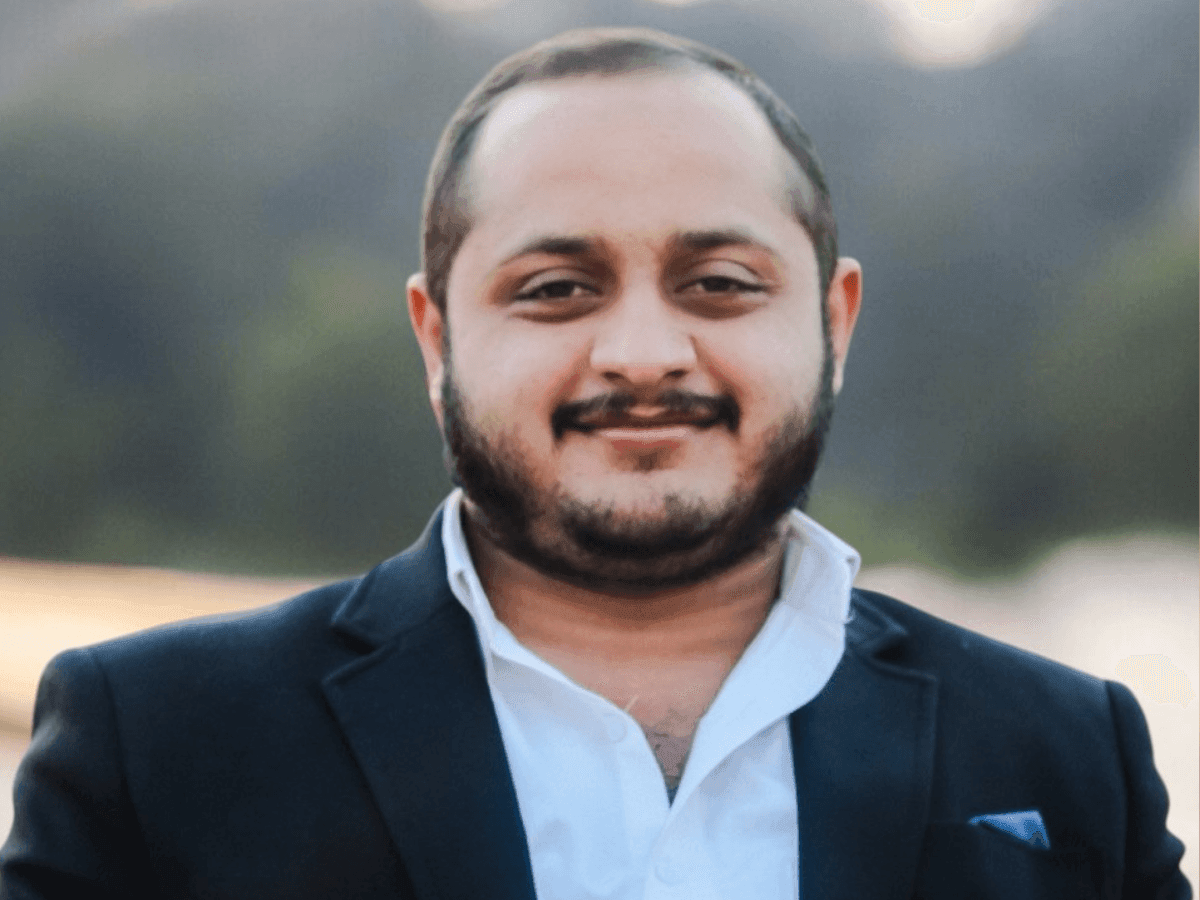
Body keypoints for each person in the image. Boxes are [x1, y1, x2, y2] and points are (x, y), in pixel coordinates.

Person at [0, 27, 1189, 900]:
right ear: (437, 336)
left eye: (717, 284)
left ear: (835, 322)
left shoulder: (1065, 748)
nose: (641, 354)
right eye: (556, 289)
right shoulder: (157, 742)